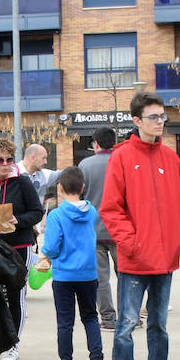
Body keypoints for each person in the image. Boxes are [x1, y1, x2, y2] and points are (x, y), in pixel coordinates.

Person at [101, 91, 180, 360]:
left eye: (162, 116)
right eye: (153, 117)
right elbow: (111, 209)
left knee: (159, 324)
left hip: (165, 258)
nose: (160, 122)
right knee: (127, 325)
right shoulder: (122, 157)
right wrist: (132, 244)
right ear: (137, 120)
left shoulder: (171, 158)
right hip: (134, 260)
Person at [0, 137, 43, 360]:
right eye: (0, 160)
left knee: (15, 294)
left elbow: (37, 212)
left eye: (9, 159)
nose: (6, 164)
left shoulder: (22, 183)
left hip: (18, 246)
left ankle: (13, 344)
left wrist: (19, 220)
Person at [42, 166, 107, 360]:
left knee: (65, 323)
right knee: (90, 317)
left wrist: (48, 256)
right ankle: (97, 359)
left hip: (63, 276)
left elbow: (50, 247)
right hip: (88, 274)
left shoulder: (56, 216)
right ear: (83, 187)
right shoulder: (92, 212)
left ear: (59, 188)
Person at [79, 126, 119, 331]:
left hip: (94, 230)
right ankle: (131, 316)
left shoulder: (85, 165)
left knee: (101, 279)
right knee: (127, 276)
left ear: (95, 143)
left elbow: (78, 198)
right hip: (121, 231)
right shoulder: (122, 161)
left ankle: (109, 319)